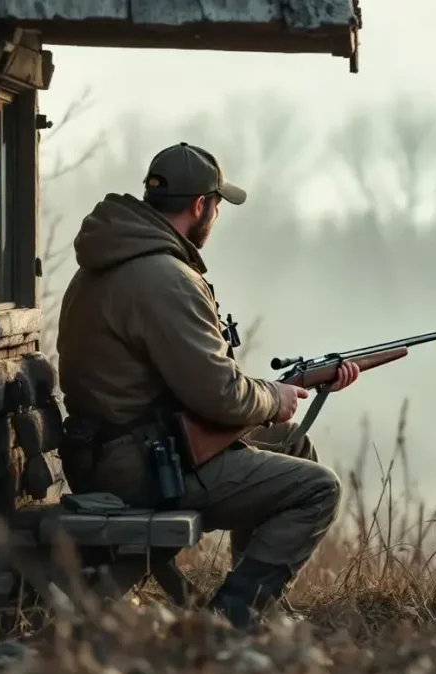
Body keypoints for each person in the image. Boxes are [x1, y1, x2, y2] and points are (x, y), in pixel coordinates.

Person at [55, 142, 359, 629]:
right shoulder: (165, 277)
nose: (216, 214)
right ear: (200, 206)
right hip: (143, 467)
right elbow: (218, 394)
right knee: (319, 489)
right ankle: (227, 621)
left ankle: (258, 597)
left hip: (121, 449)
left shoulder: (111, 263)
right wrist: (273, 398)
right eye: (216, 204)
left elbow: (195, 381)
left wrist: (289, 392)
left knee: (293, 443)